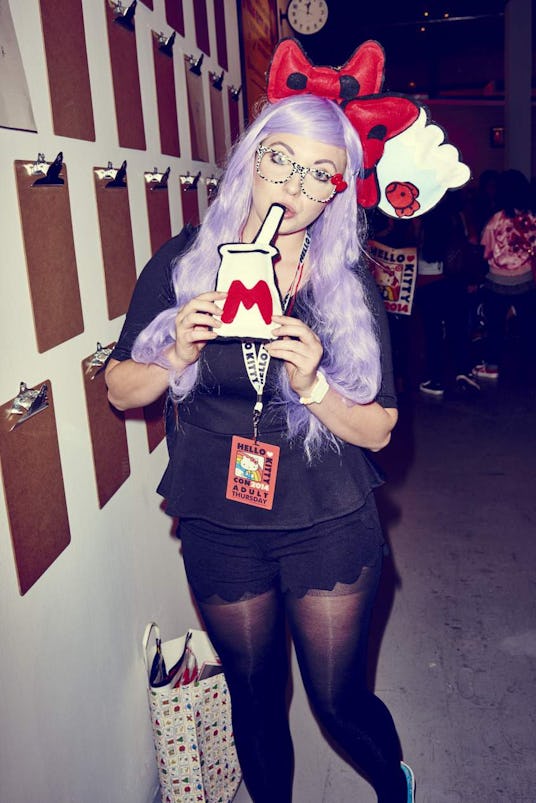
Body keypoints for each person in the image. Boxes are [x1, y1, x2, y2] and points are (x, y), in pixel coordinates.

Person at [105, 36, 470, 803]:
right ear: (250, 161)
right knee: (256, 696)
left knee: (338, 703)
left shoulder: (346, 288)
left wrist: (312, 384)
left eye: (317, 172)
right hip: (221, 515)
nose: (294, 184)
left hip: (325, 516)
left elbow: (378, 431)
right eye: (280, 159)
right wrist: (174, 348)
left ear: (336, 190)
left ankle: (394, 783)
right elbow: (120, 391)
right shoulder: (182, 264)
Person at [413, 193, 481, 398]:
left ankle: (436, 379)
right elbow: (472, 241)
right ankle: (462, 371)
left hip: (428, 280)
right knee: (457, 329)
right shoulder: (459, 215)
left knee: (433, 332)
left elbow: (415, 245)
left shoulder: (421, 216)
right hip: (455, 278)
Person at [473, 169, 536, 381]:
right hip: (525, 280)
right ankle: (529, 365)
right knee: (529, 326)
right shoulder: (531, 217)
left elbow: (486, 251)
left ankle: (492, 366)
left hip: (497, 281)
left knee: (495, 326)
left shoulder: (496, 219)